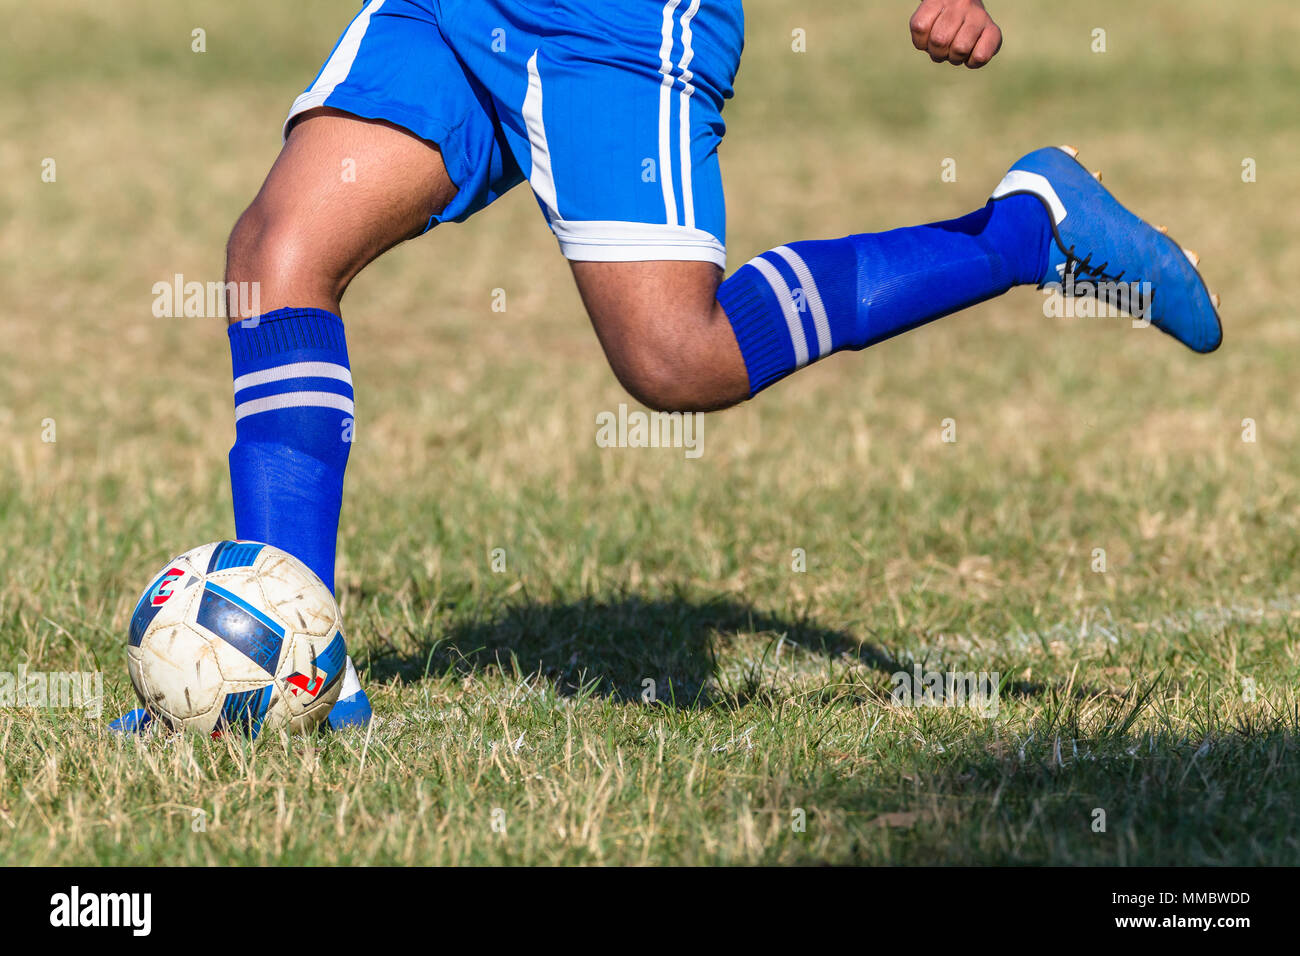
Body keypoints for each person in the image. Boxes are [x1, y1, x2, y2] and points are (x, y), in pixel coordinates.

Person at [112, 0, 1221, 734]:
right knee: (275, 255)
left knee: (676, 358)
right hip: (449, 11)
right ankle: (308, 676)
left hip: (614, 25)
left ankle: (1025, 229)